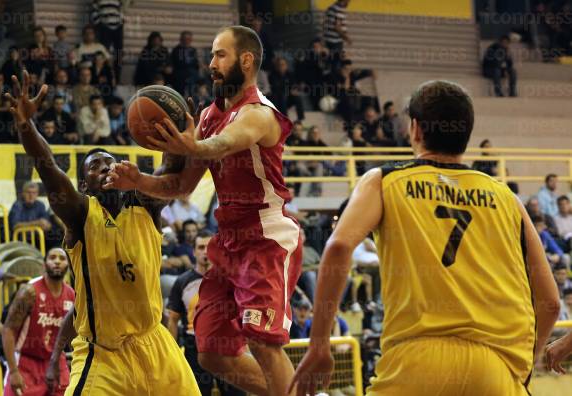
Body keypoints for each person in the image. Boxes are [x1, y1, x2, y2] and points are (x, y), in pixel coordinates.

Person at [290, 80, 560, 396]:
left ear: (415, 129)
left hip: (415, 363)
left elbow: (337, 247)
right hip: (495, 370)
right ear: (466, 135)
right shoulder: (507, 198)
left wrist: (320, 344)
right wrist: (526, 363)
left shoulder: (384, 180)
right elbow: (552, 303)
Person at [105, 25, 303, 396]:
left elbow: (226, 144)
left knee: (262, 342)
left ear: (246, 60)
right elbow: (181, 186)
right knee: (211, 351)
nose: (210, 63)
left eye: (219, 55)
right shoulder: (209, 115)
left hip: (266, 236)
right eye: (211, 55)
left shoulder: (259, 113)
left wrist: (191, 145)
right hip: (228, 240)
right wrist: (137, 181)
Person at [6, 69, 200, 395]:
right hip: (104, 354)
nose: (106, 167)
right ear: (84, 184)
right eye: (96, 166)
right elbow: (47, 165)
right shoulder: (81, 214)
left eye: (111, 162)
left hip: (155, 344)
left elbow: (171, 167)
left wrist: (177, 129)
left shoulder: (146, 204)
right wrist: (26, 126)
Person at [168, 230, 245, 396]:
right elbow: (173, 319)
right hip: (194, 346)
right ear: (194, 251)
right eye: (201, 247)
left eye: (209, 247)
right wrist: (173, 353)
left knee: (235, 392)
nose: (205, 251)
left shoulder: (231, 278)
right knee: (198, 392)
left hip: (227, 343)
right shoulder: (182, 282)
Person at [2, 248, 75, 396]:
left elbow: (75, 334)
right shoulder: (29, 292)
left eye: (62, 258)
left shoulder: (71, 295)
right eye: (52, 258)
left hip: (56, 361)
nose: (57, 261)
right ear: (44, 265)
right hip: (26, 361)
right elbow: (8, 329)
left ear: (68, 265)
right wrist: (14, 371)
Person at [323, 0, 351, 71]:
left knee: (330, 62)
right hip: (335, 41)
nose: (349, 2)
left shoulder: (331, 8)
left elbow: (324, 23)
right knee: (335, 64)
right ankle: (333, 79)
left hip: (328, 39)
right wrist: (346, 38)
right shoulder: (338, 9)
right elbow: (337, 27)